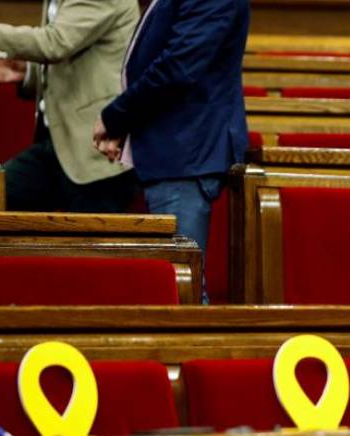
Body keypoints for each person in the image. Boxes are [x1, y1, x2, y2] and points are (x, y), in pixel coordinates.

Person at [93, 0, 249, 301]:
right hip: (177, 151)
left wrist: (115, 117)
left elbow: (178, 68)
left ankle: (196, 351)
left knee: (181, 288)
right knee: (173, 284)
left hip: (187, 154)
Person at [0, 0, 139, 212]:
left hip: (97, 155)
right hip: (56, 146)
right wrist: (27, 74)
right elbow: (79, 60)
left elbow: (56, 42)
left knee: (87, 244)